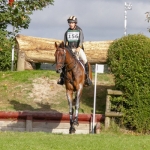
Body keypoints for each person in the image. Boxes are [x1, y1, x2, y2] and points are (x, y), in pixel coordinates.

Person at [57, 16, 92, 86]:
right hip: (70, 50)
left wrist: (79, 47)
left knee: (85, 60)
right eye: (69, 23)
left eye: (72, 23)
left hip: (78, 48)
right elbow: (65, 42)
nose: (70, 24)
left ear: (75, 23)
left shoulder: (79, 31)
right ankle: (62, 78)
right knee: (64, 61)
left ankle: (87, 78)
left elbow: (81, 40)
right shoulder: (67, 32)